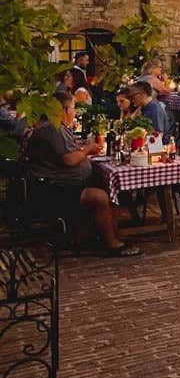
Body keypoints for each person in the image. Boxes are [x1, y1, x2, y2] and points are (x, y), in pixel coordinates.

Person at [27, 90, 139, 256]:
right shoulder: (53, 128)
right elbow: (70, 160)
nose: (74, 113)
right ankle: (112, 243)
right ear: (64, 110)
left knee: (108, 187)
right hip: (57, 188)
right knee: (100, 196)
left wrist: (84, 150)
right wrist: (88, 149)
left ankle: (107, 234)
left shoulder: (53, 126)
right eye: (73, 108)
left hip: (64, 181)